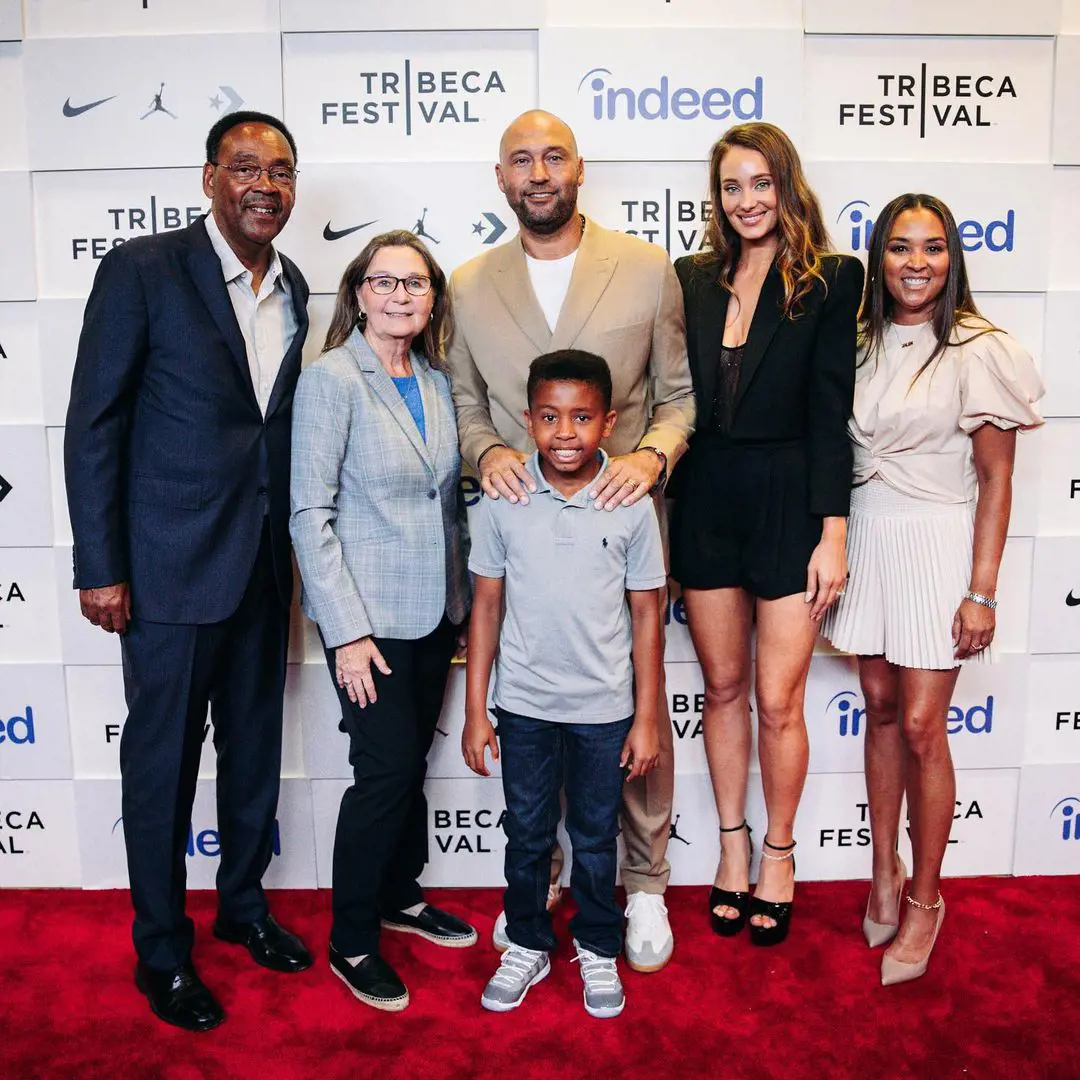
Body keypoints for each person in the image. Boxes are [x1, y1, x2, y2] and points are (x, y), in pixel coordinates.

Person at [64, 111, 313, 1031]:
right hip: (165, 571)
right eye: (246, 167)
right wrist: (103, 565)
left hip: (258, 565)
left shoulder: (296, 285)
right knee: (162, 766)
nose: (265, 185)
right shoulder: (142, 270)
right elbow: (95, 422)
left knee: (252, 756)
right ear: (208, 176)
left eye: (281, 171)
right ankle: (162, 951)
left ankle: (242, 909)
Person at [447, 109, 694, 972]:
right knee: (543, 736)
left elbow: (677, 395)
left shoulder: (645, 267)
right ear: (502, 177)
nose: (539, 172)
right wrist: (490, 451)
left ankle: (648, 881)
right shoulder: (470, 282)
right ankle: (544, 881)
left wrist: (654, 457)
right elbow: (467, 403)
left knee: (628, 711)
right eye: (522, 160)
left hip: (621, 515)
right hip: (521, 515)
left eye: (554, 156)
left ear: (580, 167)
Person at [822, 194, 1043, 984]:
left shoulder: (979, 346)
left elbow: (996, 478)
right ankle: (881, 869)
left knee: (921, 725)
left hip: (940, 542)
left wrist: (981, 592)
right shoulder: (857, 339)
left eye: (934, 247)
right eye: (900, 247)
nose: (917, 262)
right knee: (880, 709)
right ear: (878, 258)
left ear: (954, 258)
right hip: (870, 535)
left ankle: (925, 898)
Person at [670, 122, 864, 947]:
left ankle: (780, 855)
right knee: (721, 689)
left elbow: (830, 414)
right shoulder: (691, 277)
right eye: (730, 186)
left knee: (780, 699)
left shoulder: (833, 279)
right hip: (707, 493)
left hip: (791, 497)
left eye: (760, 183)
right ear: (715, 198)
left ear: (786, 185)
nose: (745, 201)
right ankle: (730, 848)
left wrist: (834, 532)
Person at [290, 231, 474, 1012]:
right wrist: (347, 633)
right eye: (384, 281)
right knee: (384, 774)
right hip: (370, 624)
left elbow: (442, 502)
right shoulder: (333, 381)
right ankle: (353, 938)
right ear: (358, 292)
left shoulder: (434, 380)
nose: (401, 294)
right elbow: (309, 514)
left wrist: (465, 605)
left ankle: (401, 895)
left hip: (436, 612)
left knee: (411, 770)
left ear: (434, 298)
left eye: (417, 283)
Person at [463, 350, 665, 1018]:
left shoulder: (631, 504)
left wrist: (645, 719)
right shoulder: (504, 498)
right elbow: (486, 606)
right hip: (522, 706)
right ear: (527, 420)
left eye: (582, 417)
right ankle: (526, 942)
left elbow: (646, 617)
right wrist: (475, 712)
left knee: (596, 835)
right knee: (526, 832)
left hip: (604, 708)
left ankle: (599, 947)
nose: (565, 432)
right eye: (549, 417)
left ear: (609, 422)